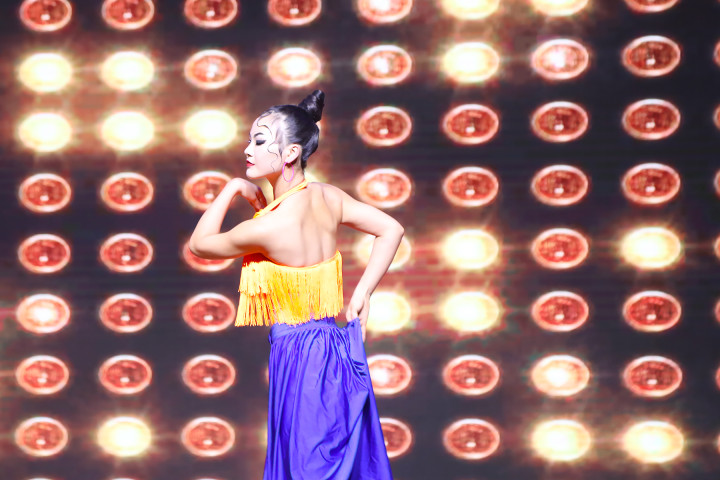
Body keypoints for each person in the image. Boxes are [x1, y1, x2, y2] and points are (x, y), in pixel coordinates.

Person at [188, 89, 404, 480]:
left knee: (307, 467)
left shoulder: (269, 226)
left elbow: (200, 244)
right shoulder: (328, 196)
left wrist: (232, 188)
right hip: (333, 346)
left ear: (290, 153)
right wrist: (363, 294)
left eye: (259, 141)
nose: (247, 150)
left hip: (302, 357)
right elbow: (391, 228)